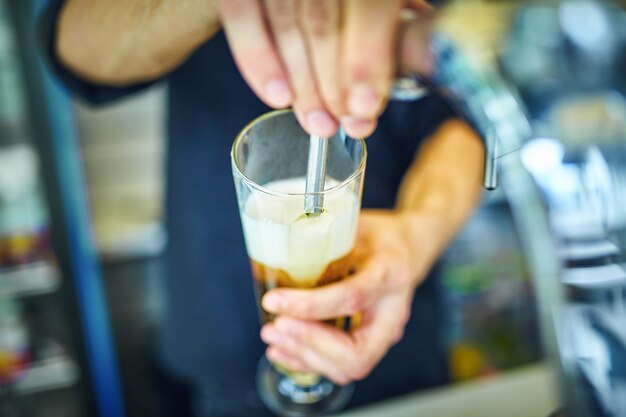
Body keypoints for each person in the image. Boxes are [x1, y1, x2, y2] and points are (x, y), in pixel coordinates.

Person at [39, 1, 484, 415]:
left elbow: (464, 114)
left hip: (392, 320)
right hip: (220, 331)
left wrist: (417, 234)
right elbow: (70, 47)